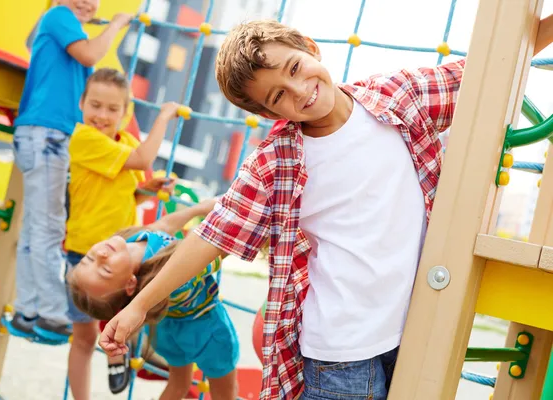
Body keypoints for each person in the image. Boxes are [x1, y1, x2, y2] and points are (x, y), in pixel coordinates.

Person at [96, 15, 553, 400]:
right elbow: (211, 237)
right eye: (277, 96)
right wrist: (138, 308)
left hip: (416, 327)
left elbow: (490, 67)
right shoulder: (276, 161)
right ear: (270, 114)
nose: (299, 90)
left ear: (311, 49)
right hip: (340, 352)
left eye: (296, 67)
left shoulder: (398, 98)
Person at [11, 0, 133, 340]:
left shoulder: (61, 26)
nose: (87, 3)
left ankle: (28, 309)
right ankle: (52, 314)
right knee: (49, 229)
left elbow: (32, 44)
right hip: (47, 134)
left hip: (43, 134)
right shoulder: (59, 16)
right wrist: (116, 24)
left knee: (38, 227)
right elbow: (91, 56)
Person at [64, 67, 179, 398]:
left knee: (133, 309)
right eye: (95, 105)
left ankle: (123, 351)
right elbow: (145, 156)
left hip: (124, 254)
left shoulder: (124, 141)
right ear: (82, 103)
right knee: (84, 338)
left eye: (113, 109)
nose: (102, 115)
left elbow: (127, 194)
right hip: (88, 254)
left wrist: (148, 190)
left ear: (125, 112)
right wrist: (164, 117)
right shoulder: (83, 138)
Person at [67, 199, 239, 400]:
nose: (101, 254)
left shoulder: (130, 244)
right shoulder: (173, 280)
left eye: (89, 258)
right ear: (130, 284)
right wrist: (238, 216)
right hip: (203, 327)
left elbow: (163, 227)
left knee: (178, 384)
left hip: (164, 329)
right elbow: (210, 251)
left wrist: (198, 209)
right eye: (106, 269)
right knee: (224, 393)